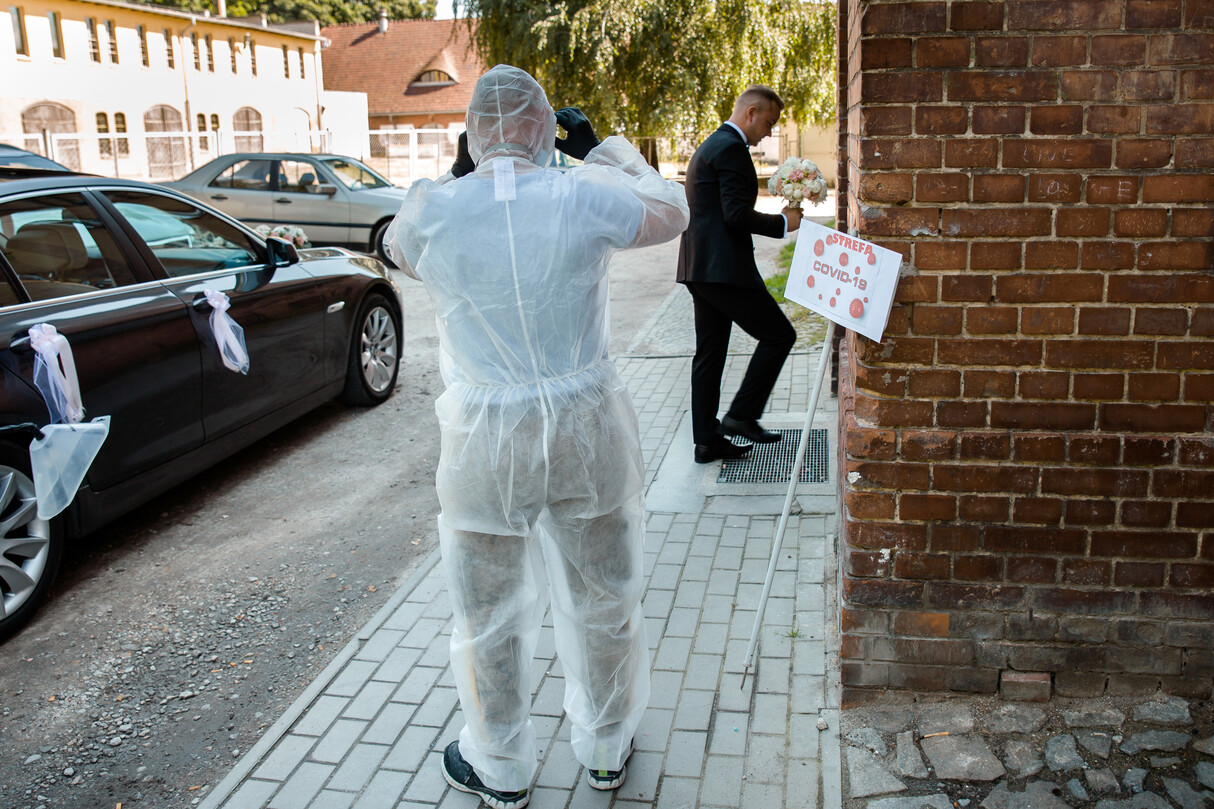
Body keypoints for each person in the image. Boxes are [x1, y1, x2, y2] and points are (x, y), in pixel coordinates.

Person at [385, 64, 689, 809]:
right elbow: (672, 210)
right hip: (586, 427)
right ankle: (607, 747)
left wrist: (463, 177)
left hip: (486, 440)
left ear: (471, 133)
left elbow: (396, 246)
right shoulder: (584, 195)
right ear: (547, 126)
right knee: (604, 594)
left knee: (486, 610)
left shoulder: (433, 211)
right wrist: (604, 150)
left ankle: (501, 766)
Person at [676, 85, 802, 463]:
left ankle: (706, 442)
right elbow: (735, 215)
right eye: (769, 123)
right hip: (723, 270)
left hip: (699, 267)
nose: (769, 132)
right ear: (751, 113)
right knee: (779, 335)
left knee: (710, 355)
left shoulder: (712, 144)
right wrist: (784, 223)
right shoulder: (731, 148)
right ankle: (741, 416)